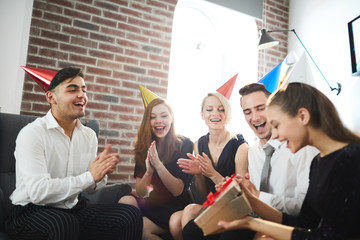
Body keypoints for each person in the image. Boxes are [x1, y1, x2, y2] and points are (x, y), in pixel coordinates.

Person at [5, 67, 143, 240]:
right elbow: (38, 192)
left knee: (129, 215)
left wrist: (99, 175)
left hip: (72, 209)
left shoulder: (88, 136)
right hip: (29, 211)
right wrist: (89, 177)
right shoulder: (33, 133)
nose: (82, 95)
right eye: (72, 89)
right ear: (51, 97)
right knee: (64, 223)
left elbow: (91, 188)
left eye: (83, 90)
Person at [219, 82, 360, 239]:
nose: (276, 135)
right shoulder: (318, 163)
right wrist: (252, 202)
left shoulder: (351, 158)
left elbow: (330, 236)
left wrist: (254, 224)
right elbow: (305, 222)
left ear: (302, 117)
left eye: (277, 125)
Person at [181, 83, 318, 240]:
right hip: (253, 215)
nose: (255, 117)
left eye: (260, 108)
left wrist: (258, 196)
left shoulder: (299, 147)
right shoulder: (253, 151)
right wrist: (237, 190)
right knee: (193, 230)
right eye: (248, 112)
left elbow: (306, 208)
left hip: (284, 220)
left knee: (230, 236)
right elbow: (249, 196)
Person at [171, 92, 248, 240]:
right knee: (175, 221)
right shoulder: (199, 144)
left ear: (227, 113)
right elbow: (205, 193)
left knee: (189, 211)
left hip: (234, 208)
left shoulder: (240, 145)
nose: (215, 114)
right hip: (213, 205)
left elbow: (241, 197)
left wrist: (212, 173)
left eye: (221, 109)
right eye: (209, 109)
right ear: (202, 114)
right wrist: (199, 174)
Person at [118, 98, 194, 240]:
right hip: (152, 203)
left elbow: (177, 190)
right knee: (125, 201)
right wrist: (149, 172)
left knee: (143, 229)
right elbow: (142, 192)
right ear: (148, 121)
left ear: (171, 118)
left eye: (164, 116)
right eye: (153, 117)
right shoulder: (144, 146)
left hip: (175, 207)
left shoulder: (185, 144)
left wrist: (158, 165)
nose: (158, 120)